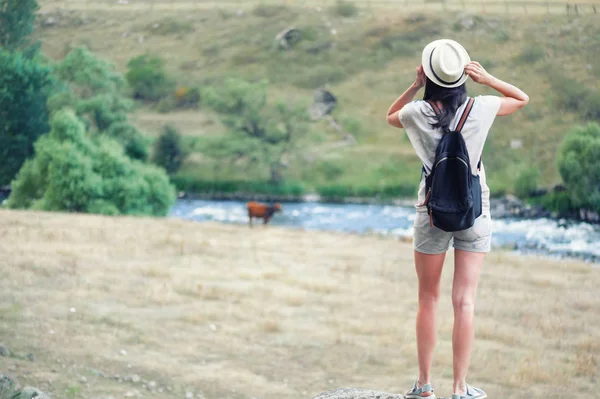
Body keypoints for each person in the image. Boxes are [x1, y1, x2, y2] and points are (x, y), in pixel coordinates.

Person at [385, 39, 529, 399]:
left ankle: (423, 385)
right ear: (462, 73)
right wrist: (489, 78)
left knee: (427, 299)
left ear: (429, 74)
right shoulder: (481, 107)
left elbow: (390, 117)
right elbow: (521, 99)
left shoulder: (417, 112)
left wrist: (414, 86)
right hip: (474, 210)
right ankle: (461, 388)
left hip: (431, 211)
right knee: (464, 302)